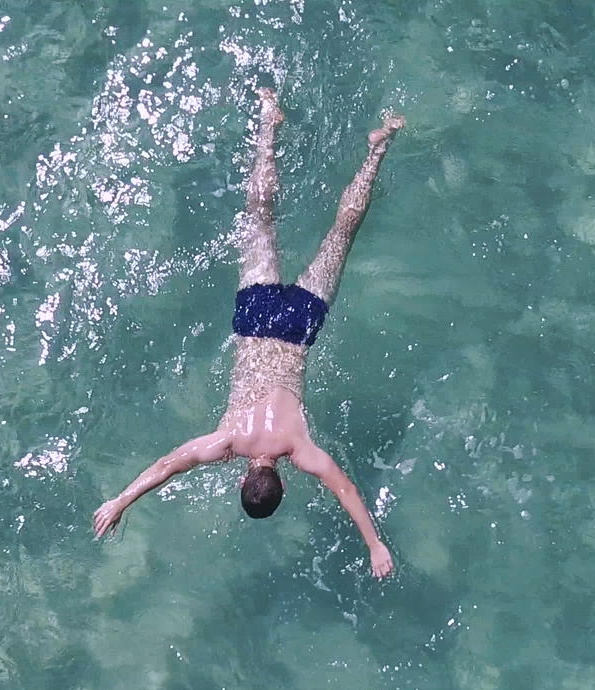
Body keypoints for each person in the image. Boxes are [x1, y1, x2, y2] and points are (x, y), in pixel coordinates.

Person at [92, 88, 403, 578]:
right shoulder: (226, 440)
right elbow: (169, 464)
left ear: (278, 480)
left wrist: (375, 546)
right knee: (259, 218)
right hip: (255, 323)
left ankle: (378, 146)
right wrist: (120, 499)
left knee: (341, 233)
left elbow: (345, 490)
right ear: (244, 479)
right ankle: (268, 124)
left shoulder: (300, 450)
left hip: (298, 326)